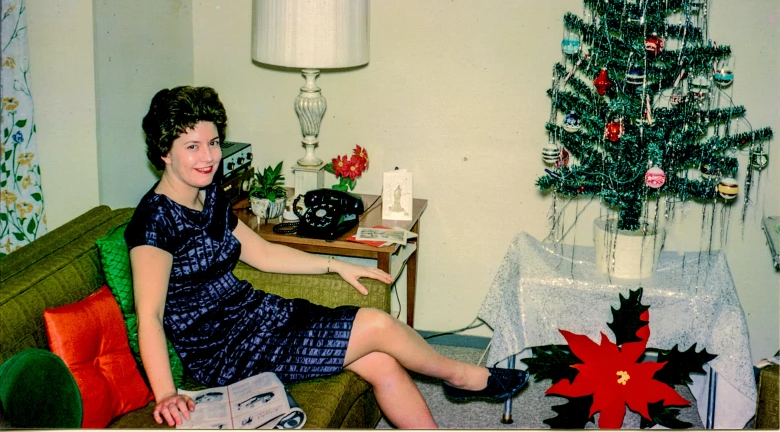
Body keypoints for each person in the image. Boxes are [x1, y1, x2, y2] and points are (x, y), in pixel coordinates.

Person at [125, 86, 528, 429]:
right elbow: (150, 315)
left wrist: (338, 264)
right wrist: (164, 394)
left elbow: (262, 253)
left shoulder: (207, 195)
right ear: (164, 152)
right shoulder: (154, 222)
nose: (208, 157)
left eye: (212, 143)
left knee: (383, 363)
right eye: (191, 147)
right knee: (375, 325)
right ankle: (461, 375)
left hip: (258, 317)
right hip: (226, 351)